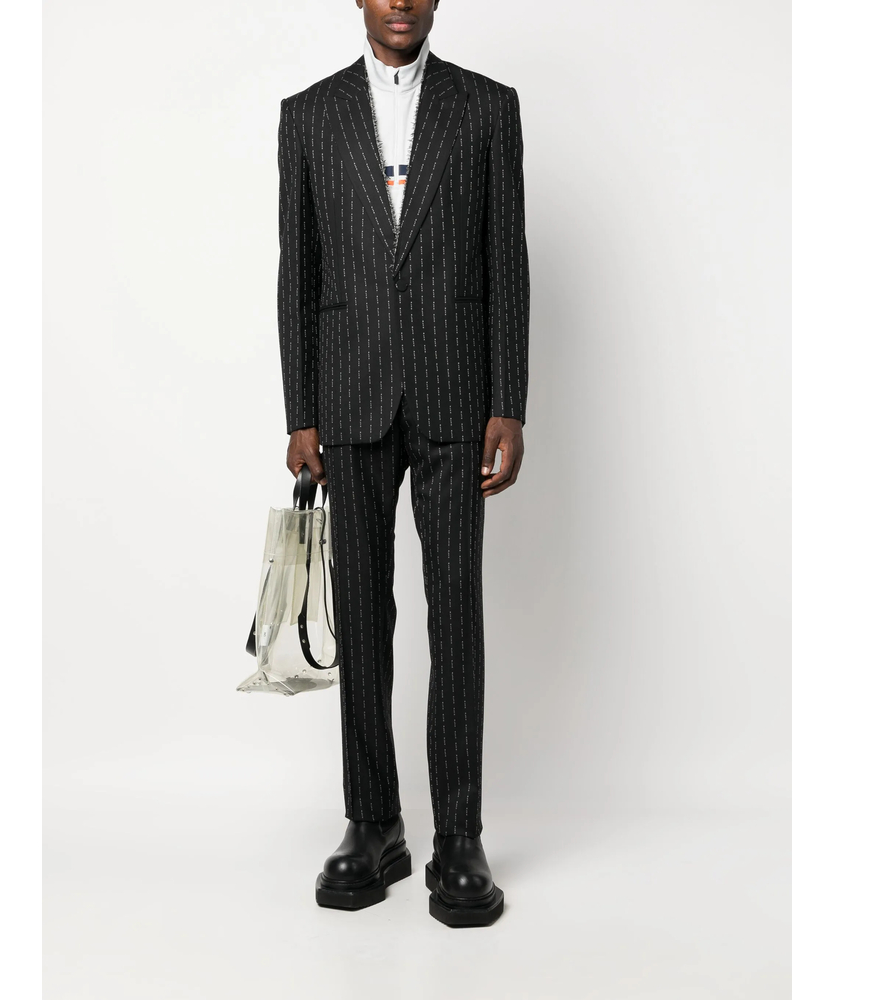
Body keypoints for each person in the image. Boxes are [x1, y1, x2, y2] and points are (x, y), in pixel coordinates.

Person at [277, 0, 529, 927]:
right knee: (362, 613)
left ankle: (457, 835)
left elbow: (507, 260)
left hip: (457, 392)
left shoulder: (487, 107)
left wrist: (510, 400)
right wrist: (301, 411)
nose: (400, 2)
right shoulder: (310, 115)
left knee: (454, 608)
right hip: (349, 397)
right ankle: (373, 821)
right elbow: (297, 270)